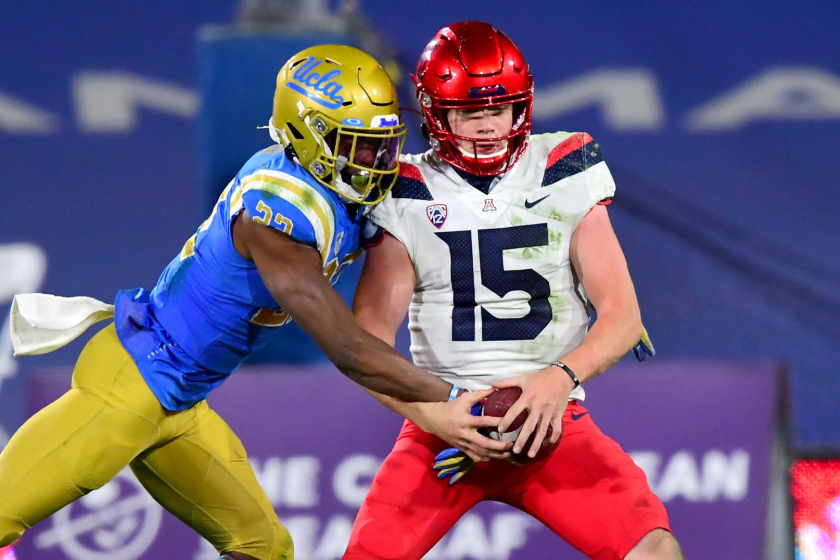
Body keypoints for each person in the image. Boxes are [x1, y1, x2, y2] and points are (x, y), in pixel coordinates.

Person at [0, 45, 499, 560]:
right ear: (307, 137)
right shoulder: (277, 210)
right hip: (131, 386)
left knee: (262, 548)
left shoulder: (333, 186)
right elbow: (347, 347)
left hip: (180, 400)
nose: (376, 162)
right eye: (357, 146)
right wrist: (453, 394)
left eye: (381, 144)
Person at [343, 22, 681, 560]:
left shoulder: (565, 167)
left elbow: (621, 315)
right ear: (436, 113)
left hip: (554, 420)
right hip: (442, 427)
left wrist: (557, 380)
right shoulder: (405, 188)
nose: (486, 126)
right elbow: (365, 345)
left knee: (653, 550)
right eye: (469, 112)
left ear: (520, 107)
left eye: (498, 109)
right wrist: (435, 416)